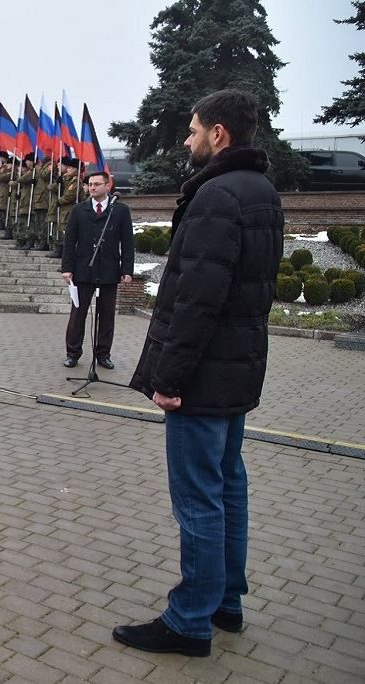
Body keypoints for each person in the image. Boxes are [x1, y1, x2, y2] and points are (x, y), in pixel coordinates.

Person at [114, 89, 284, 658]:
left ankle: (189, 620)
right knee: (228, 487)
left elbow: (197, 299)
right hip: (236, 372)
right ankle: (225, 602)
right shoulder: (261, 191)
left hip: (204, 376)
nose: (187, 140)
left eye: (193, 131)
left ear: (219, 135)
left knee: (199, 499)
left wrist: (171, 377)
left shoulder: (216, 196)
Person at [60, 170, 134, 369]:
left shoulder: (120, 210)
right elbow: (70, 242)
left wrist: (127, 269)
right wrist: (67, 268)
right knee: (78, 314)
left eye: (97, 184)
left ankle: (103, 354)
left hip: (109, 270)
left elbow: (127, 242)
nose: (92, 187)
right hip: (84, 268)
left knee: (107, 314)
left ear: (107, 186)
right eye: (90, 184)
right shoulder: (79, 210)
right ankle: (73, 353)